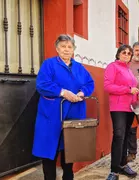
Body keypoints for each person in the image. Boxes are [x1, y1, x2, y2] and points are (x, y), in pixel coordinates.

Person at [32, 34, 94, 180]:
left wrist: (82, 92)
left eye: (69, 47)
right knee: (49, 149)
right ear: (57, 49)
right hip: (52, 113)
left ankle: (68, 176)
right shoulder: (49, 64)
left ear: (73, 50)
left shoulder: (79, 67)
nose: (66, 50)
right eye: (63, 47)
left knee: (69, 147)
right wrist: (63, 92)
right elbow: (42, 84)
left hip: (74, 111)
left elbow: (89, 83)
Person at [104, 44, 139, 180]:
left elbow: (133, 87)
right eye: (124, 52)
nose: (126, 55)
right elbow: (108, 86)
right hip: (118, 107)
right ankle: (114, 171)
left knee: (126, 135)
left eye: (129, 53)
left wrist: (137, 94)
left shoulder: (129, 70)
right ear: (118, 54)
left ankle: (123, 164)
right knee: (119, 136)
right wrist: (128, 90)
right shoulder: (112, 67)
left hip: (130, 107)